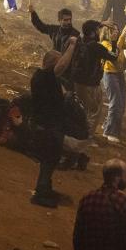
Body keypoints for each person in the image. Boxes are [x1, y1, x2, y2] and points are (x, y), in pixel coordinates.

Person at [29, 45, 80, 208]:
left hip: (49, 125)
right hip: (47, 127)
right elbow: (62, 65)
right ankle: (40, 193)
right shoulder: (45, 76)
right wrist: (72, 46)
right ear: (52, 64)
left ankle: (45, 188)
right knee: (48, 160)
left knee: (50, 160)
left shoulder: (42, 77)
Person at [100, 22, 126, 144]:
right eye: (114, 30)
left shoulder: (118, 41)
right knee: (115, 102)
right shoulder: (105, 44)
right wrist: (122, 36)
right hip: (110, 74)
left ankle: (109, 125)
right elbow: (115, 54)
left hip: (119, 74)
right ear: (107, 31)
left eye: (117, 29)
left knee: (121, 104)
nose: (117, 31)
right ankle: (109, 132)